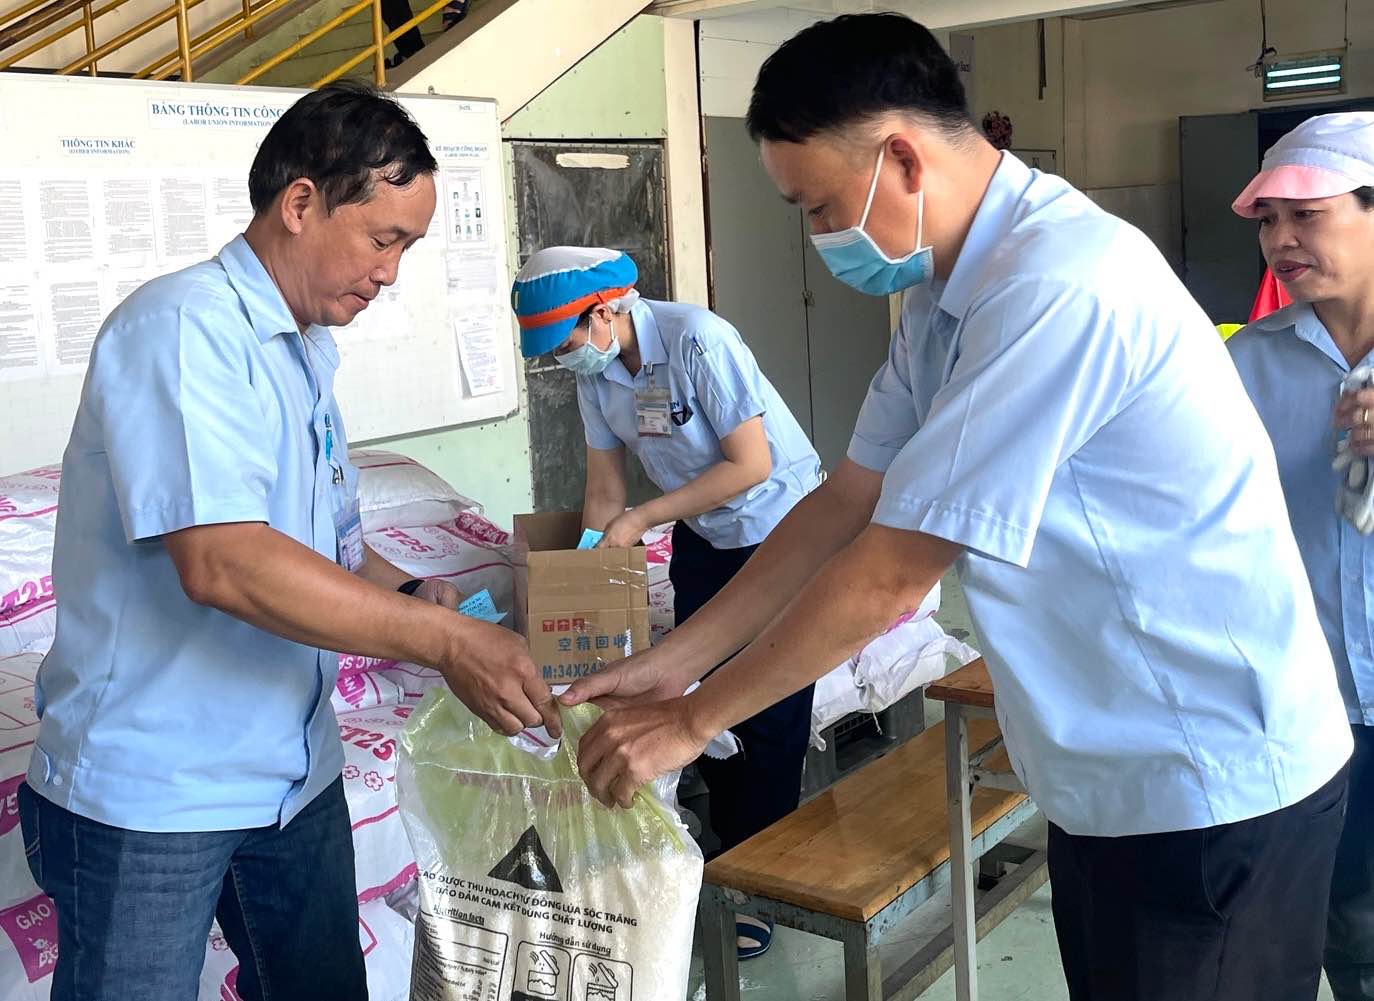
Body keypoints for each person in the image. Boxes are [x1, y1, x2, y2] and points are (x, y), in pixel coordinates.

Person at [560, 14, 1353, 1001]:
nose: (817, 240)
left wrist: (692, 721)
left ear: (900, 157)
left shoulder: (1061, 282)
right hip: (1109, 774)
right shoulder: (947, 297)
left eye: (816, 208)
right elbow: (843, 498)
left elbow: (895, 564)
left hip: (1208, 779)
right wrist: (672, 664)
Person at [18, 82, 559, 1001]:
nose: (391, 273)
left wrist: (416, 595)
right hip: (159, 790)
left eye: (408, 249)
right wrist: (448, 640)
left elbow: (321, 537)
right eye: (383, 239)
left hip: (292, 775)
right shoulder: (185, 328)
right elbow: (224, 558)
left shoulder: (301, 348)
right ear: (301, 202)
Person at [511, 245, 822, 959]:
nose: (565, 361)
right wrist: (592, 578)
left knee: (769, 705)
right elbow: (606, 491)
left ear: (603, 311)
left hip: (779, 525)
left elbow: (752, 463)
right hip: (705, 532)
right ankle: (727, 852)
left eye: (564, 344)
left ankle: (763, 883)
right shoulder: (596, 377)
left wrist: (645, 521)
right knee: (694, 697)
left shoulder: (696, 340)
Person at [1228, 112, 1374, 1001]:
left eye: (1305, 215)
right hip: (1308, 711)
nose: (1279, 240)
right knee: (1343, 928)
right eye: (1266, 221)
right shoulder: (1245, 366)